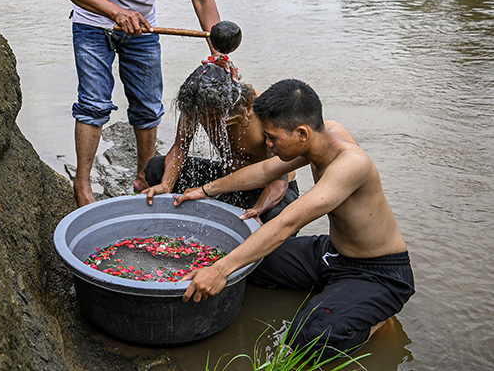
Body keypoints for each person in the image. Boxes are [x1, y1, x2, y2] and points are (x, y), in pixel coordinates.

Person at [173, 79, 414, 359]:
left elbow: (287, 223)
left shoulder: (351, 165)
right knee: (250, 267)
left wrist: (219, 271)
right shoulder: (324, 134)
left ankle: (377, 319)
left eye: (273, 137)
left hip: (377, 273)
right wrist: (202, 191)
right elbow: (264, 171)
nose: (268, 143)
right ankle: (339, 294)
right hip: (332, 254)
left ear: (302, 133)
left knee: (307, 337)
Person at [60, 0, 224, 207]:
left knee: (149, 106)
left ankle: (143, 176)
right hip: (94, 23)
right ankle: (82, 183)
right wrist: (116, 12)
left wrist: (218, 51)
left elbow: (202, 0)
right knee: (93, 103)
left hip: (143, 28)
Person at [142, 62, 298, 223]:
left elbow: (279, 179)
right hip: (227, 182)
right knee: (156, 167)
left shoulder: (265, 112)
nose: (207, 119)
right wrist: (166, 185)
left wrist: (256, 210)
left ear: (232, 104)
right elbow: (180, 147)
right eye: (203, 115)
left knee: (277, 219)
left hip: (268, 187)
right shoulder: (195, 106)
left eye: (214, 115)